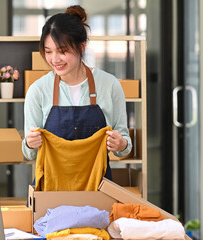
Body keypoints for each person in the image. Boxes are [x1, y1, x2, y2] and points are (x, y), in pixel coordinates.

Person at [22, 5, 132, 181]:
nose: (54, 59)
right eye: (48, 51)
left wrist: (121, 143)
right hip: (52, 191)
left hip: (97, 188)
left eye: (62, 51)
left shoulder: (109, 85)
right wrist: (29, 143)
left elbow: (124, 145)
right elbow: (29, 154)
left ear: (81, 46)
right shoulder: (38, 90)